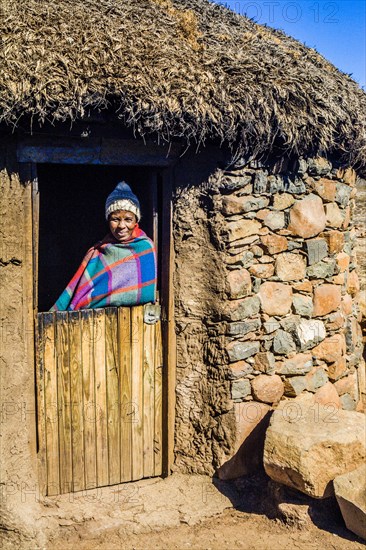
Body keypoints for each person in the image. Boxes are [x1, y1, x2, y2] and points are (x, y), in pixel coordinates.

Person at [50, 182, 156, 311]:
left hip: (135, 322)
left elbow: (145, 294)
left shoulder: (145, 248)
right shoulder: (97, 252)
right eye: (115, 219)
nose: (122, 226)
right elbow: (80, 295)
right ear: (108, 220)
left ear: (136, 221)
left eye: (128, 219)